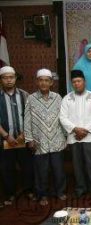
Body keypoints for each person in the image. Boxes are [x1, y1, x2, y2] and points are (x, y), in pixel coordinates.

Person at [24, 68, 67, 206]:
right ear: (37, 82)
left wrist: (66, 137)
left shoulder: (58, 97)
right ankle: (42, 195)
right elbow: (27, 120)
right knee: (41, 171)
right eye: (41, 80)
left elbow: (63, 118)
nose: (43, 83)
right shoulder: (31, 98)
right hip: (39, 141)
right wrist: (29, 139)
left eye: (46, 80)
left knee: (58, 169)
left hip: (57, 140)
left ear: (51, 83)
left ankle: (59, 191)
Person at [60, 70, 91, 199]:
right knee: (77, 165)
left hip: (90, 136)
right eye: (74, 82)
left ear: (84, 82)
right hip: (74, 137)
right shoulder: (67, 98)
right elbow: (62, 117)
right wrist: (75, 129)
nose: (77, 84)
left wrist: (85, 131)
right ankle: (80, 188)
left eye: (79, 81)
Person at [0, 66, 34, 206]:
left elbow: (30, 116)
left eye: (11, 77)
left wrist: (24, 134)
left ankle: (29, 191)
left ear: (15, 78)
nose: (8, 80)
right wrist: (6, 136)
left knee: (27, 167)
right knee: (6, 168)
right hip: (4, 139)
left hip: (22, 138)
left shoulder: (25, 95)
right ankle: (10, 194)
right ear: (1, 80)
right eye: (5, 77)